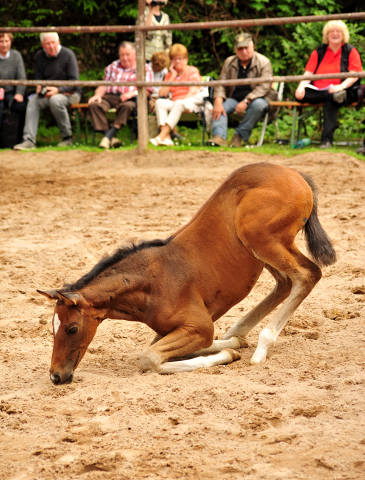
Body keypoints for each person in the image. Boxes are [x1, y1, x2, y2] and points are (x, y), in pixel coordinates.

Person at [295, 20, 362, 149]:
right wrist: (301, 86)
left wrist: (340, 87)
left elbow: (355, 75)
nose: (335, 33)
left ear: (343, 34)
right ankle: (331, 96)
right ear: (326, 35)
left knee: (331, 102)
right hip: (319, 90)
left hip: (343, 90)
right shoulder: (318, 51)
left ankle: (326, 141)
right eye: (331, 31)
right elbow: (308, 72)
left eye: (338, 31)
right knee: (301, 95)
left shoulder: (350, 51)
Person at [207, 33, 277, 148]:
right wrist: (218, 102)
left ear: (252, 47)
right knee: (220, 107)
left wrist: (246, 101)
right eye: (240, 48)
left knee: (258, 105)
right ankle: (218, 137)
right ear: (235, 50)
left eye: (246, 48)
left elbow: (265, 86)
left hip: (257, 99)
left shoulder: (264, 62)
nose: (244, 51)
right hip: (233, 99)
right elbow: (221, 84)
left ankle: (238, 136)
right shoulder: (229, 62)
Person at [13, 32, 81, 150]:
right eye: (47, 44)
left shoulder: (68, 54)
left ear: (58, 41)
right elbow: (39, 78)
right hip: (48, 93)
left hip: (70, 93)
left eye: (53, 43)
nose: (51, 46)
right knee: (33, 101)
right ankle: (28, 140)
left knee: (55, 100)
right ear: (42, 45)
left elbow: (74, 82)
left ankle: (67, 137)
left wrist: (58, 90)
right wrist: (39, 87)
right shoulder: (39, 56)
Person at [88, 41, 153, 149]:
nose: (125, 58)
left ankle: (108, 136)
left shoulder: (144, 68)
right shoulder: (113, 66)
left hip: (131, 99)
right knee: (94, 104)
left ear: (135, 55)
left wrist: (132, 93)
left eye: (128, 55)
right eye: (122, 55)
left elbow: (148, 90)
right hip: (110, 96)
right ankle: (110, 138)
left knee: (127, 107)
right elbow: (104, 84)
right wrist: (98, 94)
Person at [149, 43, 204, 146]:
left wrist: (179, 103)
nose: (177, 61)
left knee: (179, 103)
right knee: (160, 102)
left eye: (180, 58)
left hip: (191, 103)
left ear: (186, 59)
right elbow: (162, 93)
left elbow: (192, 92)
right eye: (174, 59)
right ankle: (167, 138)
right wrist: (172, 76)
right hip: (176, 104)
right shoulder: (170, 74)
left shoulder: (192, 71)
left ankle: (160, 136)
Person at [0, 33, 27, 132]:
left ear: (11, 42)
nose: (4, 44)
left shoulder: (16, 56)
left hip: (11, 92)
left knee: (21, 106)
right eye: (1, 41)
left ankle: (18, 139)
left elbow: (21, 77)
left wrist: (19, 93)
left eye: (6, 41)